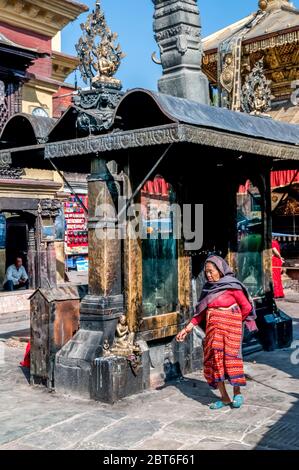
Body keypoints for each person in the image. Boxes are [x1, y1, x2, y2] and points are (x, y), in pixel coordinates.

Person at [176, 255, 257, 410]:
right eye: (206, 272)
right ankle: (225, 398)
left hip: (231, 330)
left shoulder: (233, 286)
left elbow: (246, 307)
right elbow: (199, 313)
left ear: (220, 270)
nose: (208, 275)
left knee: (232, 359)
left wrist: (232, 320)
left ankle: (237, 393)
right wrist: (186, 329)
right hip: (214, 331)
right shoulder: (208, 289)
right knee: (216, 362)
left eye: (211, 271)